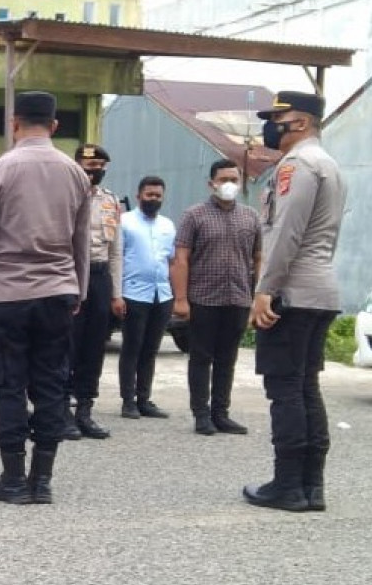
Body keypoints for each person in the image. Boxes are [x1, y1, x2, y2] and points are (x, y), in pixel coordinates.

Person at [0, 90, 90, 505]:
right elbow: (81, 241)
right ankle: (42, 480)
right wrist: (78, 289)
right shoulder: (75, 173)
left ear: (15, 123)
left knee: (8, 382)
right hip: (57, 292)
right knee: (50, 382)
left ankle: (12, 479)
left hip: (9, 293)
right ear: (54, 126)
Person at [243, 91, 346, 512]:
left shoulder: (299, 164)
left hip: (292, 291)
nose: (271, 126)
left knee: (284, 389)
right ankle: (311, 485)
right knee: (304, 387)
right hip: (318, 288)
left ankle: (288, 485)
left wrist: (265, 289)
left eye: (277, 119)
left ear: (300, 123)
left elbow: (286, 231)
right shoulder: (328, 164)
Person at [172, 159, 262, 436]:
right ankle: (201, 414)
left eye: (234, 180)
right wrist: (181, 299)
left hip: (237, 298)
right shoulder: (194, 215)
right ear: (211, 183)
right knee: (201, 357)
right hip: (203, 298)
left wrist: (256, 296)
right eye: (224, 179)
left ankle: (221, 413)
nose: (229, 185)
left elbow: (259, 258)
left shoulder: (251, 217)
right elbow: (181, 259)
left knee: (228, 358)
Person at [65, 144, 124, 439]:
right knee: (67, 345)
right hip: (71, 275)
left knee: (94, 346)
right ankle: (61, 411)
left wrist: (116, 293)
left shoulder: (111, 201)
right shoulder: (63, 196)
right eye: (87, 165)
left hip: (100, 277)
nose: (93, 170)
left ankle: (85, 411)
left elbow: (116, 252)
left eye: (98, 165)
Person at [118, 176, 174, 420]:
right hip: (133, 294)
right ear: (139, 195)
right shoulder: (125, 222)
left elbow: (171, 261)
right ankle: (128, 401)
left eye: (158, 196)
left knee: (151, 349)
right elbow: (116, 259)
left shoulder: (168, 225)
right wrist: (116, 295)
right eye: (149, 195)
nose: (154, 199)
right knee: (132, 347)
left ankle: (144, 398)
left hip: (161, 294)